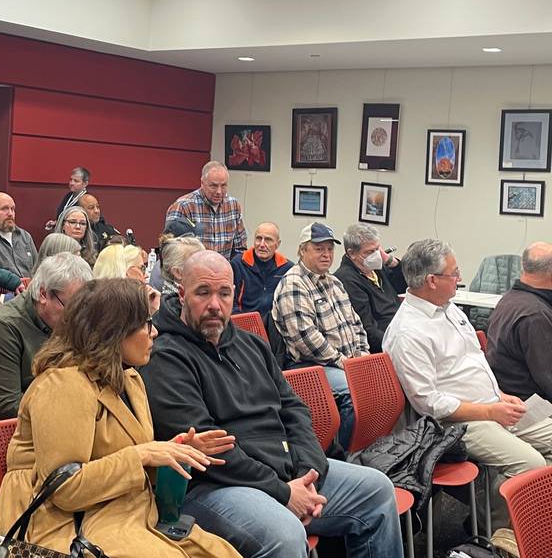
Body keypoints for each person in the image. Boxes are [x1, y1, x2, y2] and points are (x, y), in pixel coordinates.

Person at [142, 251, 403, 558]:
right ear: (183, 294)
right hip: (214, 486)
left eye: (224, 293)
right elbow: (211, 449)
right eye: (203, 292)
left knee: (377, 490)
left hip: (286, 470)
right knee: (285, 535)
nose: (215, 304)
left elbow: (295, 410)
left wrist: (307, 474)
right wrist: (282, 492)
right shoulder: (165, 356)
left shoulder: (250, 344)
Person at [0, 277, 242, 558]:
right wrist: (142, 455)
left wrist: (174, 452)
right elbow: (64, 489)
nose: (155, 332)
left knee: (224, 553)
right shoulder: (64, 384)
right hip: (63, 525)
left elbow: (128, 461)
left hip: (124, 511)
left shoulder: (129, 377)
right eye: (146, 324)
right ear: (113, 331)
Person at [383, 238, 552, 529]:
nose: (460, 279)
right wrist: (489, 411)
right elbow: (430, 404)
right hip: (458, 422)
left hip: (492, 405)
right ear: (432, 281)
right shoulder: (408, 332)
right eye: (454, 273)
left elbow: (474, 364)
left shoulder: (449, 309)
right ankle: (496, 532)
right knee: (530, 464)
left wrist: (499, 395)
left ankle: (525, 520)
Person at [272, 222, 367, 450]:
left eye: (329, 249)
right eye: (318, 249)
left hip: (342, 363)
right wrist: (345, 364)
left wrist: (362, 357)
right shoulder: (294, 283)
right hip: (307, 367)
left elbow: (356, 323)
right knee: (355, 394)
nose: (326, 255)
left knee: (380, 385)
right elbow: (306, 339)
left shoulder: (334, 282)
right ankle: (340, 457)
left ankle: (369, 452)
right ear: (302, 250)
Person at [0, 253, 93, 423]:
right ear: (43, 294)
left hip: (60, 413)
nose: (78, 316)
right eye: (72, 307)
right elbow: (5, 405)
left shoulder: (66, 317)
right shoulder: (2, 327)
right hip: (15, 431)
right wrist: (70, 410)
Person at [487, 242, 552, 401]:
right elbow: (548, 378)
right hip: (530, 405)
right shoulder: (535, 315)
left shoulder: (511, 299)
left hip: (508, 393)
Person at [333, 223, 406, 353]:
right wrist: (397, 346)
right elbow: (368, 330)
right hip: (385, 345)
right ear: (352, 253)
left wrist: (390, 261)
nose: (376, 255)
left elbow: (403, 286)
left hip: (401, 331)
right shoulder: (346, 279)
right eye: (370, 252)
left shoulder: (375, 267)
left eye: (378, 249)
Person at [165, 161, 246, 260]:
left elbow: (240, 249)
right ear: (202, 184)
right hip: (193, 272)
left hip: (224, 271)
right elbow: (170, 251)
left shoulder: (233, 206)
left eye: (223, 185)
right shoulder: (183, 206)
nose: (219, 192)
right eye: (213, 186)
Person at [231, 222, 294, 320]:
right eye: (258, 238)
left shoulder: (287, 269)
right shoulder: (238, 264)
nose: (262, 244)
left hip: (274, 327)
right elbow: (230, 302)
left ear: (277, 244)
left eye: (268, 240)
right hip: (242, 326)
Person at [93, 244, 161, 313]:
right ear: (126, 271)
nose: (146, 275)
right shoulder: (124, 308)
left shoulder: (95, 299)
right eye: (142, 268)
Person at [45, 166, 90, 231]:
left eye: (76, 181)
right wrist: (56, 223)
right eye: (71, 180)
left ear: (85, 183)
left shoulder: (88, 200)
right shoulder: (68, 196)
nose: (71, 183)